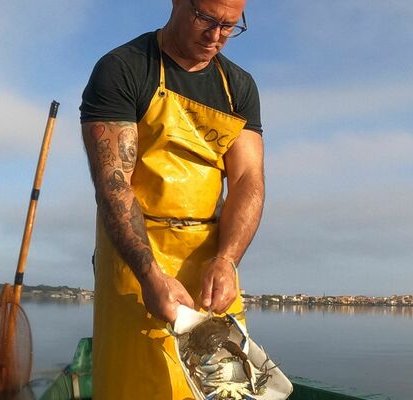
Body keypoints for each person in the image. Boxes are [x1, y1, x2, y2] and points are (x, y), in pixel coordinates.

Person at [79, 0, 264, 398]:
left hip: (211, 256)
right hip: (136, 258)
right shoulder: (124, 67)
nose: (216, 36)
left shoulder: (239, 87)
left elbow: (248, 178)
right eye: (206, 19)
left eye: (230, 27)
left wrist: (227, 259)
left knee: (224, 384)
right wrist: (149, 274)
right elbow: (114, 183)